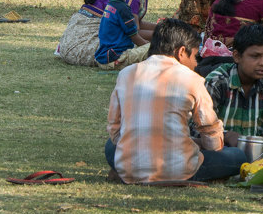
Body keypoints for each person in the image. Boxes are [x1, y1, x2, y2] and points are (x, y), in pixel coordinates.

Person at [105, 19, 247, 183]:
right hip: (180, 171)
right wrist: (209, 147)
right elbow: (211, 133)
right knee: (237, 156)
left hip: (129, 169)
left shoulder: (126, 74)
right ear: (181, 52)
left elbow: (115, 129)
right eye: (194, 56)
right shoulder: (192, 79)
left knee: (111, 146)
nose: (195, 64)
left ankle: (129, 169)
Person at [203, 24, 263, 155]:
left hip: (257, 145)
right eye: (255, 56)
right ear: (237, 56)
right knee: (232, 156)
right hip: (221, 149)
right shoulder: (217, 81)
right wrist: (225, 135)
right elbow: (199, 128)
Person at [95, 0, 148, 68]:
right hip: (116, 59)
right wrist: (152, 47)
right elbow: (135, 37)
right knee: (158, 49)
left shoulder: (112, 4)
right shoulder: (123, 9)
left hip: (104, 57)